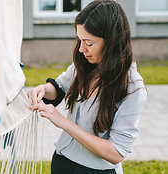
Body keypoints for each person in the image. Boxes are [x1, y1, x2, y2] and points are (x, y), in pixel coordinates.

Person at [27, 0, 147, 173]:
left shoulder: (133, 88)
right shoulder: (84, 65)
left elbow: (116, 152)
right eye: (80, 40)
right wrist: (44, 89)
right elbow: (60, 88)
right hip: (62, 162)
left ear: (112, 42)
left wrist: (64, 123)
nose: (82, 49)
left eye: (89, 43)